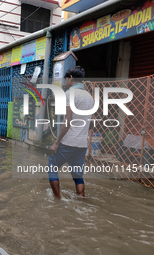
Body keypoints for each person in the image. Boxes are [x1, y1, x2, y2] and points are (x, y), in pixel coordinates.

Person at [48, 66, 94, 199]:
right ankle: (81, 198)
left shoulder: (69, 94)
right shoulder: (89, 97)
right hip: (81, 144)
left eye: (66, 79)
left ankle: (58, 199)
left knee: (52, 166)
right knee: (77, 175)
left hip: (68, 142)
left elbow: (67, 122)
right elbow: (91, 122)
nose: (66, 82)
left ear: (71, 78)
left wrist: (56, 143)